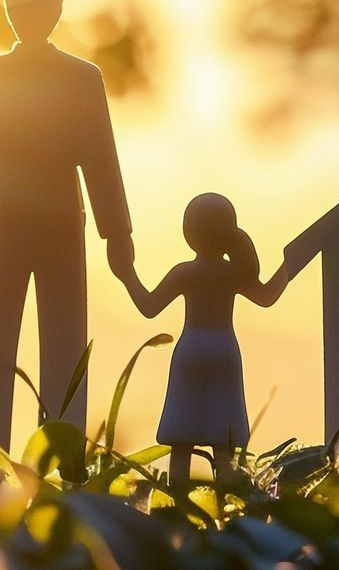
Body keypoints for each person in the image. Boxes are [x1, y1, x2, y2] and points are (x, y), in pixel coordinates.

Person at [0, 0, 133, 449]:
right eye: (20, 5)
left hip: (59, 226)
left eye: (40, 4)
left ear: (58, 10)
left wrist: (118, 233)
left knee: (64, 346)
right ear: (8, 10)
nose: (29, 14)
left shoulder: (81, 78)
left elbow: (100, 156)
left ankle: (62, 461)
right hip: (8, 223)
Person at [112, 192, 293, 489]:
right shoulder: (233, 273)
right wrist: (290, 263)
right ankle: (226, 492)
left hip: (191, 349)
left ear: (189, 232)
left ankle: (177, 493)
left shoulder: (185, 272)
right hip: (224, 350)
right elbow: (267, 296)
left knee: (181, 437)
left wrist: (126, 272)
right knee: (224, 439)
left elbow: (148, 305)